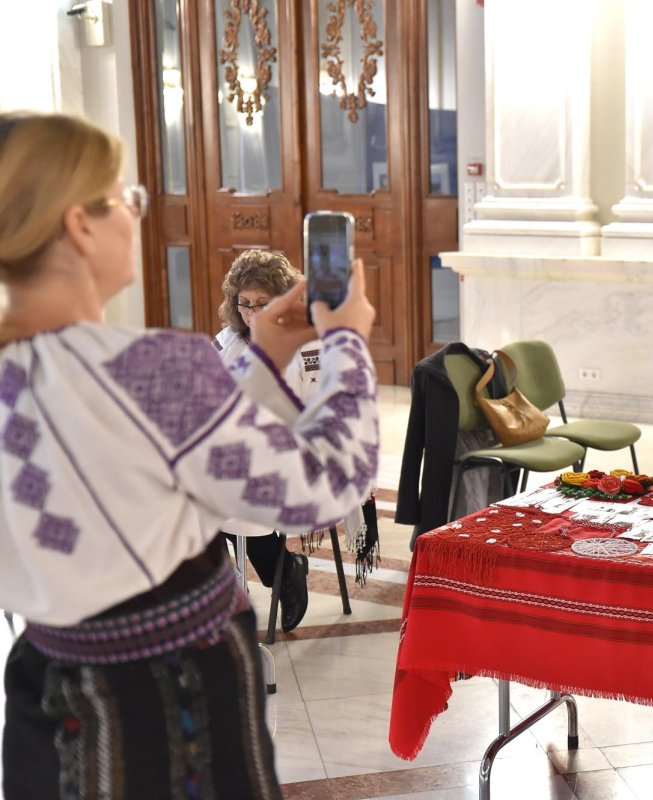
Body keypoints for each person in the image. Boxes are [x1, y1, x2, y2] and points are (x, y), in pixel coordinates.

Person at [0, 111, 378, 798]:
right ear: (80, 226)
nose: (136, 213)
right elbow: (328, 481)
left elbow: (170, 467)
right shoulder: (150, 370)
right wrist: (347, 343)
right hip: (172, 707)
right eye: (124, 198)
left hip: (47, 695)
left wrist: (265, 356)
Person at [215, 249, 322, 633]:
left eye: (262, 304)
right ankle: (228, 588)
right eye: (244, 304)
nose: (251, 314)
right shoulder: (230, 340)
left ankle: (281, 574)